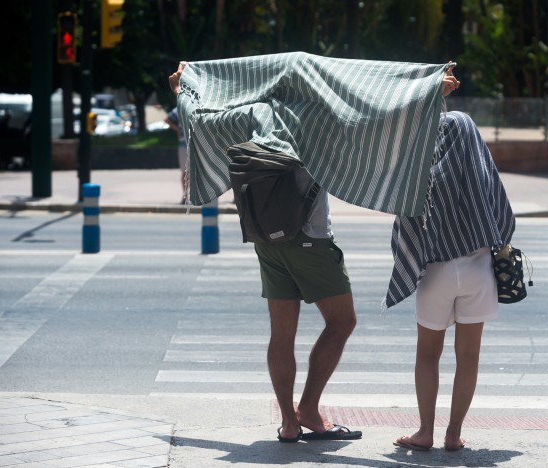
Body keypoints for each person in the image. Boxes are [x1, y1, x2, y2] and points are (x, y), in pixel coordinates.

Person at [169, 62, 362, 443]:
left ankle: (290, 423)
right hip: (309, 237)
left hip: (266, 238)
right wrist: (430, 93)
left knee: (282, 334)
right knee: (342, 322)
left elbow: (202, 121)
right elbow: (377, 115)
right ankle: (307, 408)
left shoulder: (254, 114)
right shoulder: (317, 114)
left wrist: (181, 91)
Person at [386, 72, 515, 452]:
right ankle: (453, 433)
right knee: (468, 356)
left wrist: (426, 95)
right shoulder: (474, 152)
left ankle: (424, 430)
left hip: (436, 271)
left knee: (428, 353)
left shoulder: (420, 166)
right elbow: (502, 213)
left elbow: (404, 219)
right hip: (477, 270)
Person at [164, 106, 189, 204]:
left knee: (187, 172)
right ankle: (185, 196)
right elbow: (167, 119)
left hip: (193, 143)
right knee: (185, 172)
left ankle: (186, 196)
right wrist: (178, 129)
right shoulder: (180, 108)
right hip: (186, 143)